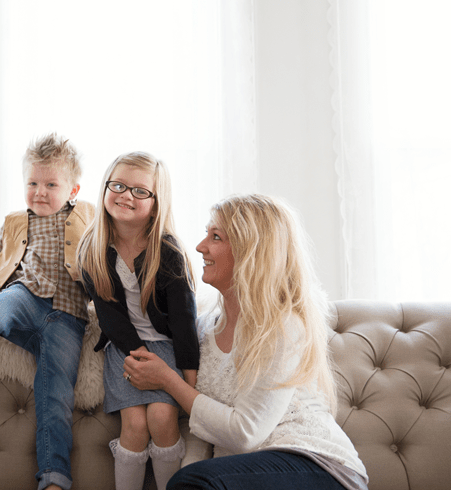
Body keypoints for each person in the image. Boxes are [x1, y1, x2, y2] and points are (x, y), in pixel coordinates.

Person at [124, 194, 369, 490]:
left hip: (319, 467)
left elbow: (246, 432)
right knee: (188, 481)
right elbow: (201, 434)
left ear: (250, 251)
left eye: (216, 237)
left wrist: (168, 381)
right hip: (239, 476)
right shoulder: (201, 331)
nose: (200, 247)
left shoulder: (282, 326)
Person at [0, 133, 95, 490]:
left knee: (55, 398)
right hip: (25, 298)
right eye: (33, 183)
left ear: (73, 190)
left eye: (51, 184)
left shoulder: (87, 217)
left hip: (67, 318)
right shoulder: (16, 220)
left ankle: (54, 479)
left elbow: (102, 255)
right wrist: (4, 276)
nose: (39, 192)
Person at [77, 151, 200, 490]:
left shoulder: (169, 252)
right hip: (124, 347)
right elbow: (111, 320)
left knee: (162, 417)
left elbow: (185, 323)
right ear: (104, 189)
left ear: (156, 202)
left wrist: (189, 388)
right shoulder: (92, 250)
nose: (126, 195)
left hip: (168, 347)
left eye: (140, 191)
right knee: (134, 425)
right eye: (117, 185)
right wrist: (138, 357)